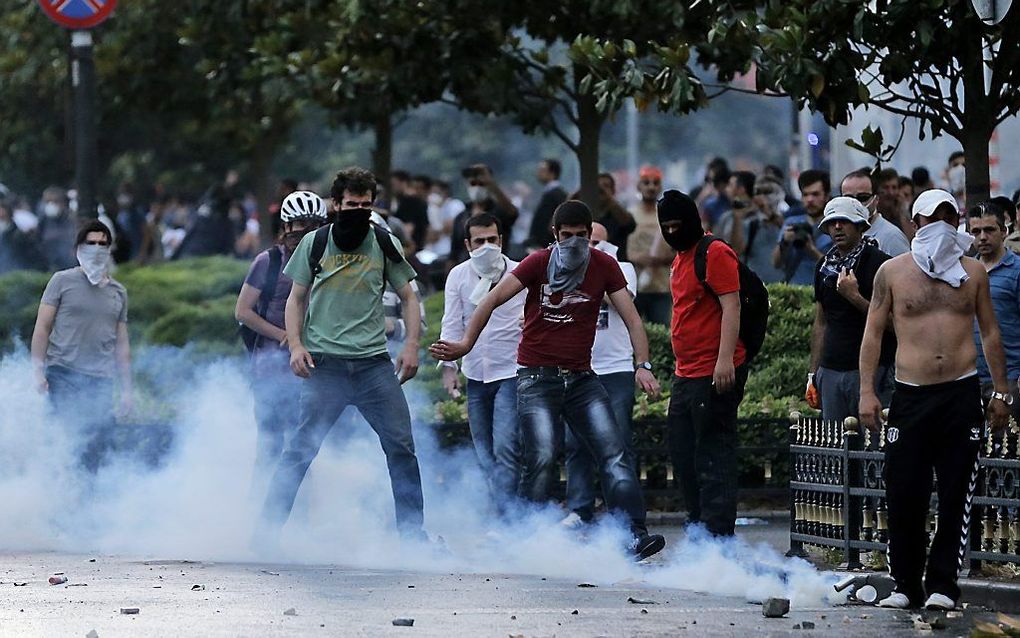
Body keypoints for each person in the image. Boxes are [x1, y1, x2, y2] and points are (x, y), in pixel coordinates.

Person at [430, 200, 666, 560]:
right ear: (554, 236)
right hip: (537, 377)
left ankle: (633, 533)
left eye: (581, 236)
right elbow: (490, 300)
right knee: (540, 456)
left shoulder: (604, 265)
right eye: (567, 236)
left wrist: (643, 364)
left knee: (613, 453)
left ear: (591, 237)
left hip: (582, 378)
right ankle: (523, 536)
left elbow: (633, 319)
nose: (574, 243)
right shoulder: (538, 262)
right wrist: (463, 345)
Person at [255, 166, 428, 547]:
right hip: (325, 368)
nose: (359, 210)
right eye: (352, 203)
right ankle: (265, 535)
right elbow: (296, 298)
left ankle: (414, 538)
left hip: (373, 367)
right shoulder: (314, 244)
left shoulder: (384, 243)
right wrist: (297, 345)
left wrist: (412, 344)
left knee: (401, 447)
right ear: (336, 204)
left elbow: (410, 297)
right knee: (299, 450)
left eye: (366, 204)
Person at [859, 189, 1010, 610]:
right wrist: (867, 391)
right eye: (931, 218)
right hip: (910, 394)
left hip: (960, 392)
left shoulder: (973, 272)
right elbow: (872, 332)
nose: (939, 226)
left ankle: (943, 584)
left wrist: (1000, 389)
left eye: (948, 217)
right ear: (915, 222)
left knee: (957, 489)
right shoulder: (892, 272)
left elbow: (990, 330)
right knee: (904, 489)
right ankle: (906, 583)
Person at [659, 190, 748, 537]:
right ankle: (698, 525)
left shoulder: (714, 253)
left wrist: (724, 360)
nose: (671, 232)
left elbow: (732, 306)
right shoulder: (681, 256)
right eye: (665, 227)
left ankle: (718, 535)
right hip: (687, 372)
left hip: (714, 370)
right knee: (682, 452)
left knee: (714, 453)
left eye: (676, 226)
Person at [235, 191, 328, 501]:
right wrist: (284, 336)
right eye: (299, 223)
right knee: (271, 442)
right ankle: (257, 506)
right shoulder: (269, 261)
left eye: (313, 225)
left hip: (310, 368)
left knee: (304, 445)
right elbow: (243, 311)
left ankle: (304, 512)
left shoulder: (327, 264)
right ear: (286, 226)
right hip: (270, 367)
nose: (304, 231)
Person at [31, 220, 132, 473]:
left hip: (100, 380)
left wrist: (127, 391)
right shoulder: (61, 281)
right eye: (91, 243)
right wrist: (37, 371)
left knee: (97, 449)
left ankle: (89, 504)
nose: (97, 248)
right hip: (63, 373)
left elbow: (122, 344)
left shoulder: (119, 292)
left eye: (103, 244)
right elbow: (42, 327)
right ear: (78, 247)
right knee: (67, 442)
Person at [440, 213, 526, 507]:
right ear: (468, 244)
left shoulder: (520, 273)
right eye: (480, 241)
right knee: (484, 451)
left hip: (511, 370)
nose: (487, 246)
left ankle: (506, 518)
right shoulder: (458, 276)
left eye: (492, 240)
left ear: (501, 241)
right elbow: (451, 324)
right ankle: (499, 507)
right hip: (475, 372)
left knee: (505, 446)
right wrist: (448, 369)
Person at [562, 222, 639, 527]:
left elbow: (623, 300)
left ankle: (623, 513)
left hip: (615, 367)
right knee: (576, 442)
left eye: (595, 242)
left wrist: (598, 267)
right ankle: (580, 509)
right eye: (582, 241)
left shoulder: (623, 268)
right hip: (579, 367)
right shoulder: (563, 269)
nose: (587, 247)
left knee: (618, 443)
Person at [806, 197, 895, 421]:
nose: (837, 227)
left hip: (871, 371)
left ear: (860, 226)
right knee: (834, 446)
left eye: (844, 221)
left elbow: (896, 324)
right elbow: (821, 322)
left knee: (871, 444)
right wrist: (813, 373)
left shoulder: (881, 265)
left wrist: (854, 297)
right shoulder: (824, 266)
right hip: (831, 369)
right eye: (832, 222)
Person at [969, 202, 1020, 423]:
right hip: (970, 379)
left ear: (1004, 231)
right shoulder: (964, 272)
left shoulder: (1017, 271)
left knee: (1008, 450)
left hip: (1011, 379)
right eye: (976, 231)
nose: (982, 237)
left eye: (989, 230)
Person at [715, 173, 785, 283]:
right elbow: (736, 250)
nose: (762, 197)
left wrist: (769, 213)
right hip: (755, 287)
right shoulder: (742, 220)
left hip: (785, 286)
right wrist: (738, 218)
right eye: (758, 192)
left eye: (767, 192)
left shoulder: (788, 216)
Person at [448, 164, 519, 268]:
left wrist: (491, 184)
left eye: (481, 184)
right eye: (473, 183)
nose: (477, 187)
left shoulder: (499, 211)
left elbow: (512, 212)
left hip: (497, 269)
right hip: (467, 270)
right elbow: (454, 253)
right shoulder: (461, 217)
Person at [628, 165, 673, 324]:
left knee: (662, 333)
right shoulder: (629, 215)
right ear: (639, 186)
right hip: (634, 287)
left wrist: (663, 258)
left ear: (660, 187)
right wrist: (637, 258)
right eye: (646, 183)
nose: (651, 187)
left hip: (661, 287)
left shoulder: (667, 214)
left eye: (655, 183)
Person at [773, 170, 833, 285]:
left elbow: (837, 269)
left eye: (815, 194)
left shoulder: (835, 225)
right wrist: (784, 242)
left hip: (824, 291)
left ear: (826, 196)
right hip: (794, 292)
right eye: (805, 194)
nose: (810, 200)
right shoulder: (791, 222)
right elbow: (776, 263)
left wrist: (812, 251)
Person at [840, 168, 911, 255]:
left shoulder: (892, 237)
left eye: (863, 197)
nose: (856, 203)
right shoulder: (841, 233)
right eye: (848, 198)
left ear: (876, 199)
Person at [593, 173, 637, 258]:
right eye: (598, 187)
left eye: (606, 186)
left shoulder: (617, 213)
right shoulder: (589, 213)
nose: (601, 190)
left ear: (613, 190)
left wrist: (608, 197)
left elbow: (630, 225)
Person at [527, 159, 568, 249]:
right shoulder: (549, 193)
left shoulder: (556, 194)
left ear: (552, 173)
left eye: (542, 170)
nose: (538, 173)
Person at [37, 186, 78, 271]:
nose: (51, 205)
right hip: (49, 264)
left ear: (63, 203)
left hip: (69, 265)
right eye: (47, 202)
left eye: (55, 201)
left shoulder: (72, 219)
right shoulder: (43, 221)